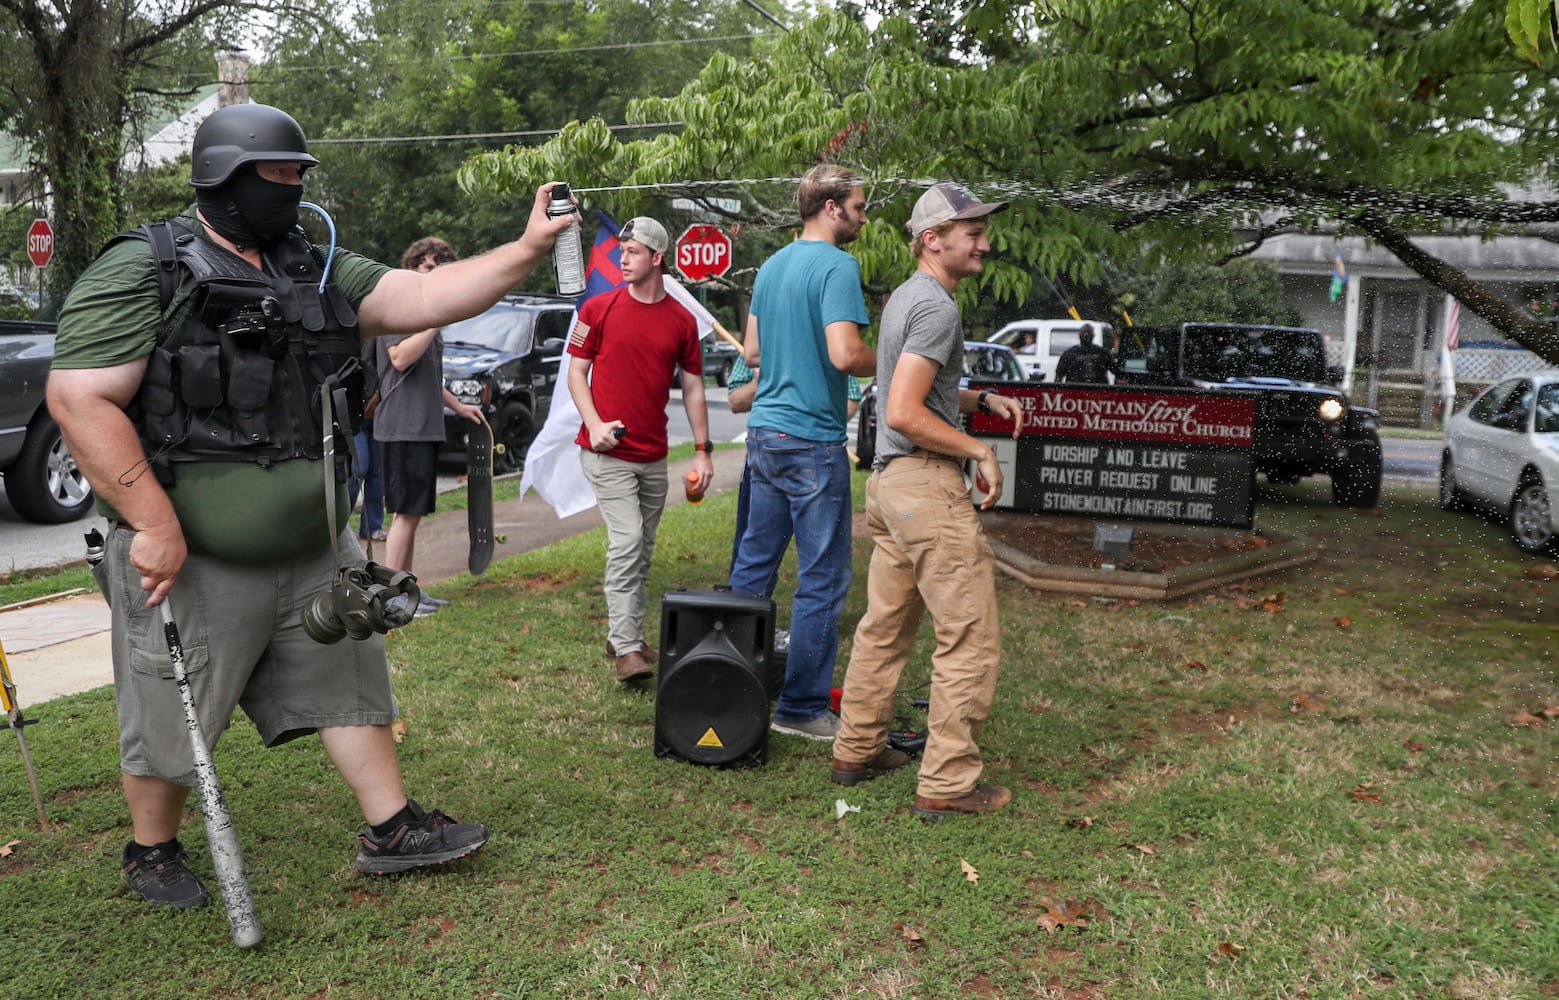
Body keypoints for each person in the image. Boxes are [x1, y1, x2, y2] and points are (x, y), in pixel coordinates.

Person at [46, 103, 577, 908]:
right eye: (278, 175)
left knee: (349, 674)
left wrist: (529, 246)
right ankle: (149, 851)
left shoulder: (313, 265)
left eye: (300, 175)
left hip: (313, 549)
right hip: (194, 555)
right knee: (169, 701)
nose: (293, 190)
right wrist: (152, 524)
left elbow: (421, 297)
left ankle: (393, 827)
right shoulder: (142, 269)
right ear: (225, 181)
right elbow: (80, 400)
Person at [831, 181, 1025, 819]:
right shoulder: (937, 307)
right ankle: (947, 784)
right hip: (923, 485)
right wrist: (978, 448)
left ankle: (855, 749)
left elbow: (909, 385)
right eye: (972, 233)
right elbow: (905, 410)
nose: (984, 243)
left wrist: (975, 399)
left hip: (889, 489)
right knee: (969, 634)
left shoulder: (906, 299)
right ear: (931, 239)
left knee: (884, 628)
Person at [728, 164, 876, 741]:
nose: (864, 217)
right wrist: (894, 357)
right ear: (832, 207)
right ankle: (802, 708)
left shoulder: (771, 266)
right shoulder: (838, 266)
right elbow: (845, 355)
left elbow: (754, 350)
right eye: (859, 207)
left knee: (753, 569)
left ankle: (731, 685)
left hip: (764, 436)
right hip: (813, 441)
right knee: (822, 579)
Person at [567, 217, 714, 683]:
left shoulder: (681, 320)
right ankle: (627, 650)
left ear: (657, 258)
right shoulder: (597, 308)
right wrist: (595, 425)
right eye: (622, 251)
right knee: (628, 540)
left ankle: (622, 632)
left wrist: (704, 450)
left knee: (643, 549)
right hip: (605, 452)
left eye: (632, 252)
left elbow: (692, 388)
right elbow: (576, 374)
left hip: (653, 456)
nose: (623, 259)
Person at [374, 237, 484, 616]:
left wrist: (460, 408)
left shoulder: (428, 320)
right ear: (412, 267)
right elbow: (401, 358)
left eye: (441, 269)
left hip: (423, 427)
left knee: (414, 513)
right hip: (401, 426)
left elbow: (429, 378)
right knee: (403, 514)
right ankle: (391, 598)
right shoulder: (397, 310)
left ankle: (408, 589)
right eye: (427, 267)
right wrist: (436, 319)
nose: (434, 274)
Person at [349, 339, 387, 545]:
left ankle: (373, 526)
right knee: (358, 468)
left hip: (380, 413)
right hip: (357, 410)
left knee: (377, 472)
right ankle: (341, 525)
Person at [1054, 323, 1118, 384]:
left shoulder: (1103, 353)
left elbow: (1117, 371)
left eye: (1088, 335)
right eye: (1085, 335)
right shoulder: (1069, 354)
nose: (1087, 337)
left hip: (1099, 392)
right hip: (1075, 392)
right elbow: (1058, 377)